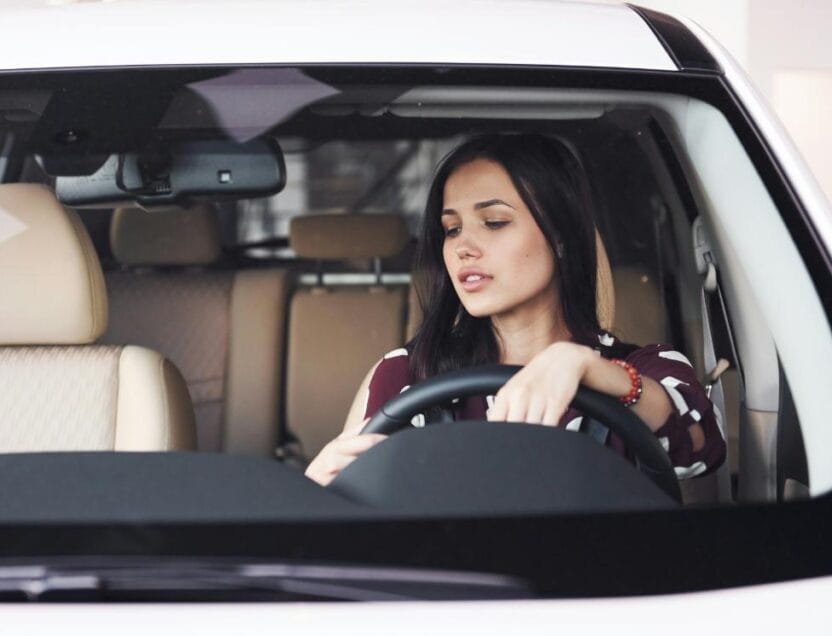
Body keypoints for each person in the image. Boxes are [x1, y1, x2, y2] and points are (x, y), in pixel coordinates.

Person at [305, 134, 726, 486]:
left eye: (494, 222)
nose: (463, 247)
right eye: (451, 229)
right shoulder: (405, 373)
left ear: (560, 236)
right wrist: (316, 494)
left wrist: (587, 369)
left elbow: (702, 446)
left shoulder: (643, 367)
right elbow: (361, 509)